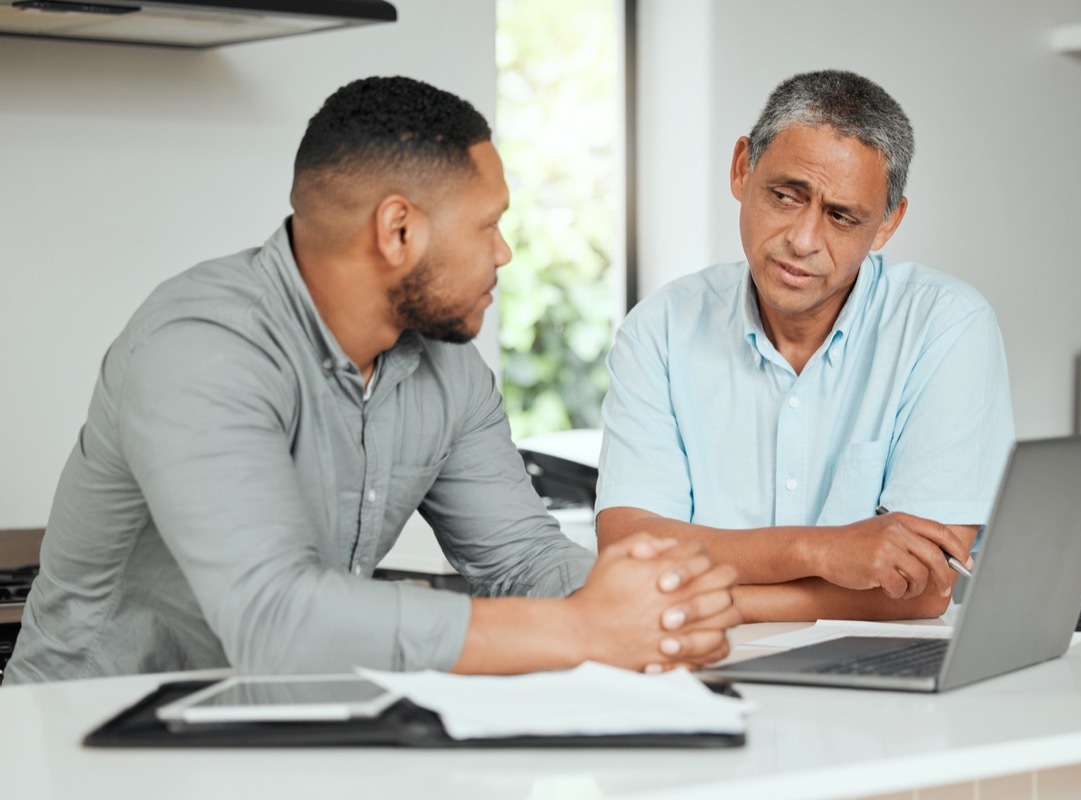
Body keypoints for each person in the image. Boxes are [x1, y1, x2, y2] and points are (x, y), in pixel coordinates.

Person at [6, 76, 739, 684]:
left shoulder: (448, 369)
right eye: (488, 224)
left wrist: (662, 607)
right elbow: (276, 619)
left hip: (283, 727)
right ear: (398, 232)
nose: (506, 253)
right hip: (86, 737)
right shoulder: (200, 347)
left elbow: (522, 559)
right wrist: (582, 627)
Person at [595, 70, 1015, 623]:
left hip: (868, 684)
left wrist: (719, 600)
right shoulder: (660, 330)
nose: (803, 240)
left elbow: (922, 589)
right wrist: (821, 549)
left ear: (888, 222)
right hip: (699, 667)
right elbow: (629, 550)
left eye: (842, 217)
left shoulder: (947, 327)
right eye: (786, 196)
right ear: (743, 168)